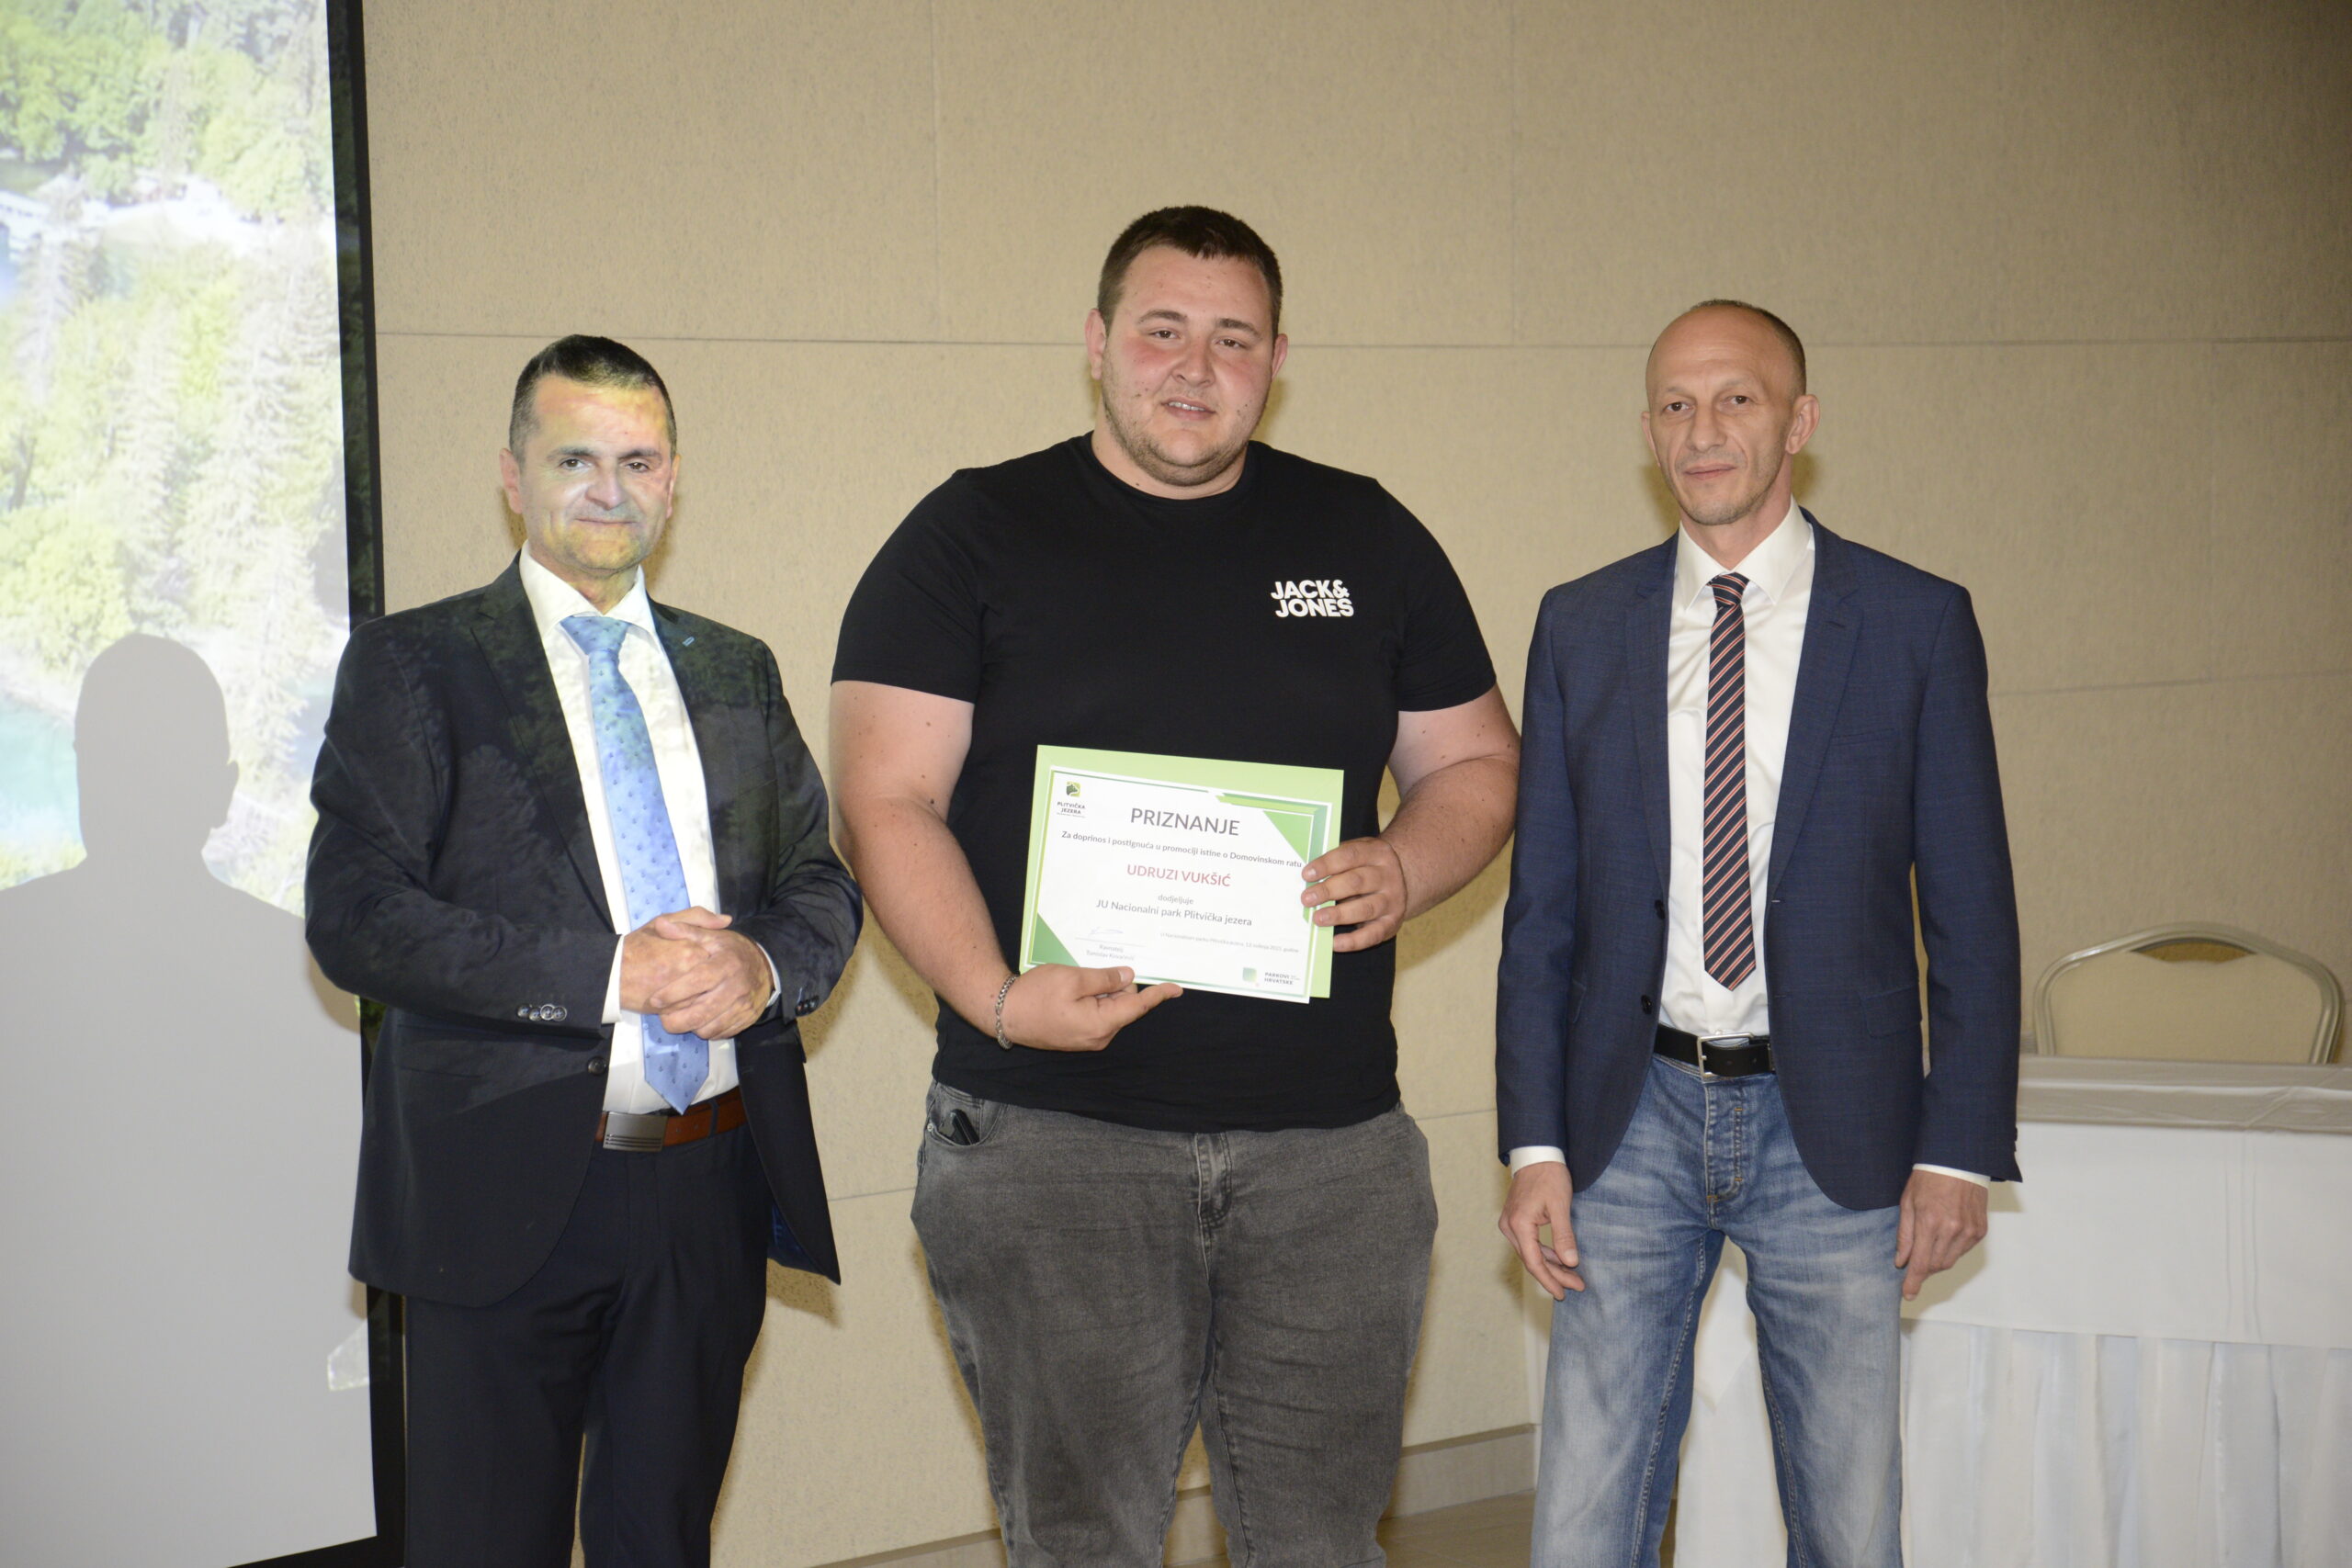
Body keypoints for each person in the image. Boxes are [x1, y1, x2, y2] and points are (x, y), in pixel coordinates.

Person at [831, 207, 1519, 1566]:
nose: (1195, 369)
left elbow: (1479, 764)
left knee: (1322, 1544)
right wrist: (998, 998)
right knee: (1082, 1542)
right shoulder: (972, 533)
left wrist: (1407, 859)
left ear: (1278, 362)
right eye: (1161, 331)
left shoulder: (1367, 534)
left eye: (1233, 339)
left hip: (1329, 1154)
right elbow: (885, 802)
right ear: (1097, 344)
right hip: (1053, 1141)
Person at [306, 335, 861, 1568]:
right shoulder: (416, 665)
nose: (611, 490)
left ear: (674, 480)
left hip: (708, 1183)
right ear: (513, 477)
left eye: (639, 461)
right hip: (499, 1194)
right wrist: (616, 976)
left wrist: (763, 969)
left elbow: (818, 883)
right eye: (574, 460)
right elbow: (356, 915)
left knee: (661, 1541)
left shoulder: (735, 667)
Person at [1494, 301, 2019, 1567]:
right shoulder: (1581, 622)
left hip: (1834, 1127)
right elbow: (1544, 908)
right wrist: (1534, 1142)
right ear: (1647, 431)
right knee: (1582, 1522)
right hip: (1628, 1121)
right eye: (1675, 405)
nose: (1703, 431)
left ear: (1801, 420)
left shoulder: (1914, 622)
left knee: (1849, 1520)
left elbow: (1970, 908)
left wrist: (1959, 1150)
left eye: (1737, 399)